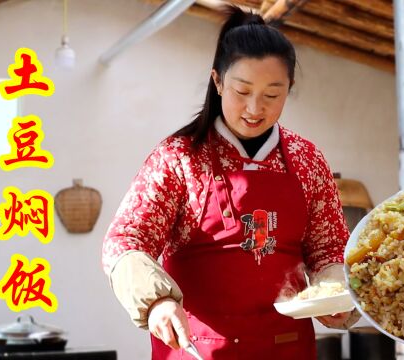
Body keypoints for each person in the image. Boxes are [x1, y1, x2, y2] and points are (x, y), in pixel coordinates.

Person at [102, 6, 358, 360]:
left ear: (290, 88)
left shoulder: (307, 160)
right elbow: (125, 242)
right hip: (195, 349)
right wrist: (156, 301)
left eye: (272, 95)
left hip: (285, 349)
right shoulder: (179, 157)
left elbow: (329, 250)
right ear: (218, 81)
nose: (255, 108)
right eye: (242, 91)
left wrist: (337, 294)